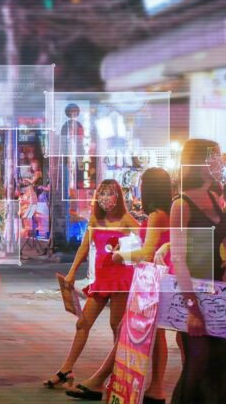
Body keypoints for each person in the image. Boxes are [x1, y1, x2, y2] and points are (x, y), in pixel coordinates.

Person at [46, 179, 139, 396]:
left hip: (121, 281)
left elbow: (145, 239)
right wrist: (71, 273)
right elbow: (83, 248)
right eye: (103, 194)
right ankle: (66, 369)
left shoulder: (126, 219)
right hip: (101, 281)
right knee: (82, 323)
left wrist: (126, 247)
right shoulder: (96, 220)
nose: (106, 199)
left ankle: (118, 375)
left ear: (119, 197)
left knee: (117, 327)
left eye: (111, 194)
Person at [94, 167, 172, 404]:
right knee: (155, 335)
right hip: (160, 278)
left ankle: (152, 387)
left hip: (155, 281)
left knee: (136, 331)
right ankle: (152, 388)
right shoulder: (163, 213)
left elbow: (148, 252)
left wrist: (122, 256)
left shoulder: (157, 215)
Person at [166, 139, 226, 403]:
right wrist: (192, 308)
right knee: (196, 366)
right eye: (214, 157)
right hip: (195, 294)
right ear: (199, 162)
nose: (220, 161)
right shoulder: (181, 204)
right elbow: (179, 259)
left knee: (219, 366)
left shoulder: (216, 197)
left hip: (219, 292)